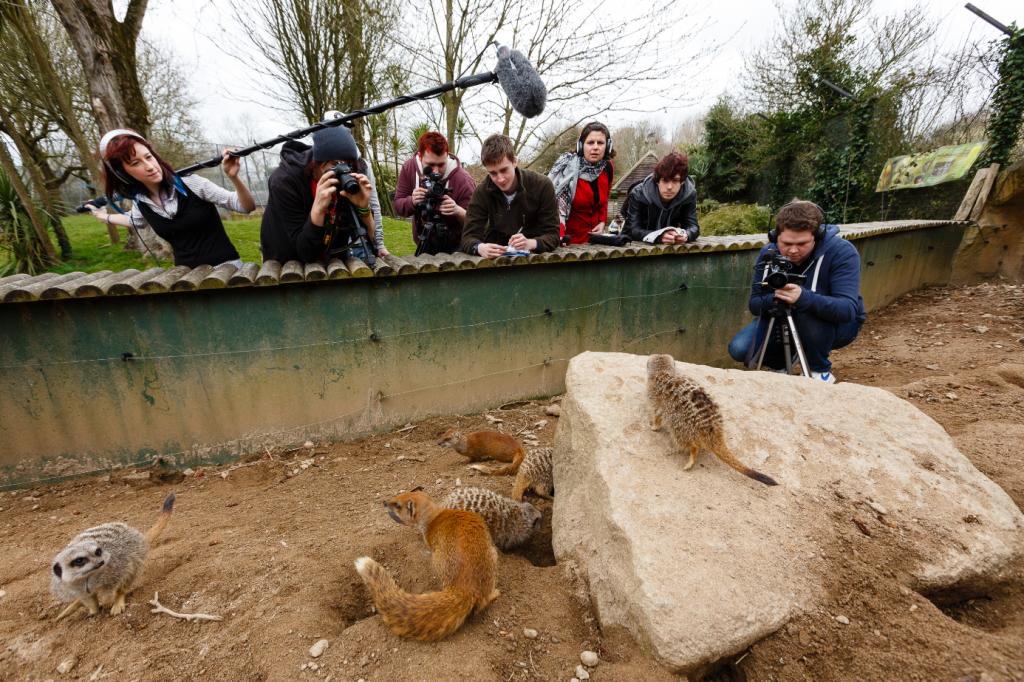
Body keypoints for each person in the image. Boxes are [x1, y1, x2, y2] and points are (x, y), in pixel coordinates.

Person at [727, 201, 866, 383]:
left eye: (802, 244)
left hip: (837, 326)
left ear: (817, 237)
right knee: (739, 348)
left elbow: (848, 310)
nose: (793, 250)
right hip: (782, 318)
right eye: (786, 243)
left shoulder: (842, 252)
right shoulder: (769, 252)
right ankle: (781, 364)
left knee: (807, 311)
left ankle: (819, 370)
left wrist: (803, 298)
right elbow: (755, 304)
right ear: (775, 236)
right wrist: (779, 298)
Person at [87, 129, 255, 268]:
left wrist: (233, 177)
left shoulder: (193, 184)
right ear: (122, 173)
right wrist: (102, 216)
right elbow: (135, 220)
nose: (149, 167)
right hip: (185, 278)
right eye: (135, 163)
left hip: (228, 270)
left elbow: (245, 206)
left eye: (148, 157)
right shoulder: (141, 202)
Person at [260, 122, 385, 264]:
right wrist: (318, 210)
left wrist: (364, 208)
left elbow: (368, 236)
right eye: (336, 164)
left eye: (348, 164)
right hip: (287, 263)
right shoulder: (284, 182)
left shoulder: (351, 175)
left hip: (333, 261)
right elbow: (306, 253)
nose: (343, 171)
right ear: (317, 162)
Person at [461, 134, 560, 258]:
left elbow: (553, 235)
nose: (500, 179)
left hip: (535, 258)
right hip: (496, 261)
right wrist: (479, 247)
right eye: (493, 173)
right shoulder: (482, 191)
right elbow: (467, 238)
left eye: (504, 170)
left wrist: (531, 243)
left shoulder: (542, 185)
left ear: (514, 162)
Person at [393, 131, 476, 254]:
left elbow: (475, 223)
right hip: (424, 242)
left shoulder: (463, 180)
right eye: (430, 165)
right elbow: (398, 206)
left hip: (455, 246)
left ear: (447, 156)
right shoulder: (409, 168)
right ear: (420, 157)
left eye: (441, 165)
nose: (436, 171)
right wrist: (412, 201)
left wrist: (457, 211)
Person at [547, 122, 615, 244]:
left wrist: (602, 221)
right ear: (581, 145)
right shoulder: (567, 169)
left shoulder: (608, 168)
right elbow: (555, 206)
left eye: (600, 143)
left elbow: (605, 200)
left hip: (596, 242)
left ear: (607, 146)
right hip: (567, 241)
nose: (595, 147)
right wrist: (558, 236)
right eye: (590, 143)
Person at [622, 151, 699, 245]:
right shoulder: (639, 194)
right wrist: (657, 236)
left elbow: (693, 226)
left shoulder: (689, 194)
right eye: (665, 180)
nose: (669, 187)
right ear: (657, 181)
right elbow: (630, 229)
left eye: (675, 180)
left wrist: (686, 235)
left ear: (682, 182)